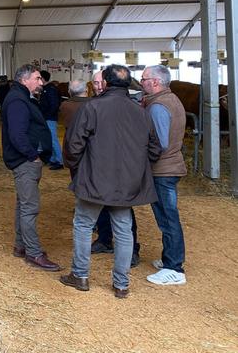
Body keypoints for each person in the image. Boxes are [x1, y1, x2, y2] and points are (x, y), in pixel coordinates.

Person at [61, 65, 160, 298]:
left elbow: (73, 146)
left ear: (104, 83)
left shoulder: (92, 107)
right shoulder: (141, 111)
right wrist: (138, 168)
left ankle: (80, 275)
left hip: (94, 180)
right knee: (124, 230)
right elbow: (155, 149)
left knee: (84, 225)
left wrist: (78, 167)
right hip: (127, 183)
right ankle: (121, 284)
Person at [0, 64, 60, 271]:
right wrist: (32, 155)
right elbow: (17, 134)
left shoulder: (21, 97)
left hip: (24, 160)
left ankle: (21, 246)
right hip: (25, 162)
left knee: (23, 205)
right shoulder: (18, 100)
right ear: (25, 79)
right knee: (29, 207)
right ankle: (33, 253)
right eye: (37, 78)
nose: (41, 82)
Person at [87, 70, 142, 266]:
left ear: (109, 83)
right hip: (99, 170)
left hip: (121, 170)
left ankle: (132, 250)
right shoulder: (91, 106)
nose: (99, 86)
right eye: (95, 83)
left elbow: (148, 141)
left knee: (123, 213)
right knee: (100, 207)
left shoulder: (132, 106)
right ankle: (104, 239)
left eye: (102, 82)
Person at [141, 64, 188, 286]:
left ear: (155, 82)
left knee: (168, 219)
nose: (141, 83)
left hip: (163, 170)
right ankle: (170, 258)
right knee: (167, 217)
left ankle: (174, 268)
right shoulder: (171, 99)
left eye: (144, 79)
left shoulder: (158, 106)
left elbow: (159, 143)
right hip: (170, 166)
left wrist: (141, 159)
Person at [39, 71, 63, 169]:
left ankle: (59, 161)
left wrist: (47, 115)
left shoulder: (50, 89)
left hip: (50, 118)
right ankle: (53, 158)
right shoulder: (46, 89)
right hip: (47, 118)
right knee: (50, 139)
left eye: (39, 78)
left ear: (43, 79)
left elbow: (54, 105)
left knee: (53, 139)